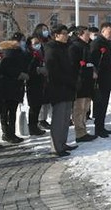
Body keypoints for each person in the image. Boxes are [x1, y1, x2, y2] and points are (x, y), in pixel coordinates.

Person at [44, 24, 77, 157]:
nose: (66, 35)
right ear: (56, 35)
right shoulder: (51, 49)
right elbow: (53, 71)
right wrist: (68, 80)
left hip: (68, 87)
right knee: (58, 120)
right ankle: (56, 147)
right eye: (64, 33)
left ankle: (62, 143)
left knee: (65, 119)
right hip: (58, 88)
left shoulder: (66, 47)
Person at [0, 33, 30, 144]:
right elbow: (5, 68)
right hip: (9, 86)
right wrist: (19, 74)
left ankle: (9, 133)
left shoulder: (16, 52)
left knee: (10, 112)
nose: (23, 42)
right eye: (22, 40)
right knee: (8, 111)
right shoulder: (11, 53)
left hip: (14, 86)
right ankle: (8, 134)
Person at [69, 26, 98, 142]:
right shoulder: (74, 47)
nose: (89, 36)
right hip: (80, 83)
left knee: (85, 109)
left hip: (88, 82)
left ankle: (83, 130)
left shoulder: (87, 46)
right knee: (79, 109)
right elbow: (74, 66)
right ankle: (79, 133)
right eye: (86, 34)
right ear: (80, 34)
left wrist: (93, 70)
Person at [90, 22, 111, 138]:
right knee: (100, 103)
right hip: (100, 78)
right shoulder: (97, 43)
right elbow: (94, 61)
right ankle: (98, 128)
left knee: (105, 103)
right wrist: (109, 65)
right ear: (103, 31)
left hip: (108, 77)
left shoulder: (108, 43)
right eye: (109, 32)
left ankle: (102, 126)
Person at [25, 35, 46, 136]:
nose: (38, 45)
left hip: (40, 81)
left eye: (38, 42)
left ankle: (35, 125)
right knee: (33, 106)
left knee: (38, 105)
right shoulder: (29, 54)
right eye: (35, 43)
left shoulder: (39, 53)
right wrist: (38, 70)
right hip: (32, 83)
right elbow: (28, 69)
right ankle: (32, 127)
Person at [33, 23, 52, 130]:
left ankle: (44, 118)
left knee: (47, 98)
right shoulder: (36, 41)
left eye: (47, 29)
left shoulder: (48, 41)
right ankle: (40, 120)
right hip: (40, 73)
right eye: (44, 29)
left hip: (49, 72)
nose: (46, 31)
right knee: (41, 98)